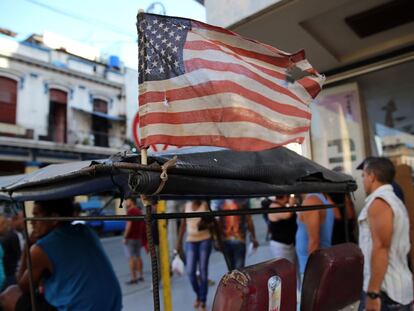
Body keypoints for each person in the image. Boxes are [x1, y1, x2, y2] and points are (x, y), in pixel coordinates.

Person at [0, 198, 122, 311]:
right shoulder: (85, 230)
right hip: (112, 305)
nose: (32, 222)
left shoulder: (41, 248)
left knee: (8, 295)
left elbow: (23, 286)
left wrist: (28, 246)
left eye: (37, 215)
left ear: (54, 219)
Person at [358, 157, 413, 311]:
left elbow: (381, 247)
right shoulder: (393, 200)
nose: (363, 180)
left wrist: (373, 293)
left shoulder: (380, 203)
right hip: (394, 290)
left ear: (372, 176)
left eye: (364, 175)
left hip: (386, 292)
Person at [176, 200, 212, 311]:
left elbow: (212, 222)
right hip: (190, 241)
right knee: (190, 272)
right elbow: (183, 225)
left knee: (203, 272)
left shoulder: (205, 204)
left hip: (205, 240)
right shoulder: (186, 205)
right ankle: (199, 295)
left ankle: (203, 300)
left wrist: (205, 224)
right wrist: (179, 242)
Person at [295, 193, 334, 276]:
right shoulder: (324, 198)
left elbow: (314, 241)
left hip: (313, 268)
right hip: (318, 263)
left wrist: (311, 274)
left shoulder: (311, 201)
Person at [215, 199, 259, 270]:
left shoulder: (220, 201)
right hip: (238, 239)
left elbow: (218, 222)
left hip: (226, 239)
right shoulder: (242, 200)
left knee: (231, 270)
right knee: (239, 270)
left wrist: (217, 240)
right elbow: (249, 220)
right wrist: (254, 237)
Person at [123, 197, 146, 284]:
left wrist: (125, 237)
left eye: (127, 200)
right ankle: (141, 275)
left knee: (131, 258)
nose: (126, 202)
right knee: (139, 256)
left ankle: (133, 278)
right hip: (138, 238)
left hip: (131, 238)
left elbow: (129, 225)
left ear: (131, 201)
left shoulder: (130, 211)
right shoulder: (139, 211)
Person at [268, 195, 297, 264]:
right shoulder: (274, 206)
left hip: (289, 244)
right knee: (284, 268)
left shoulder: (282, 206)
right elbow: (288, 215)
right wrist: (292, 203)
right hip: (280, 245)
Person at [1, 216, 21, 290]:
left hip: (8, 274)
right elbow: (18, 254)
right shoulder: (12, 235)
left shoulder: (9, 237)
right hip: (10, 272)